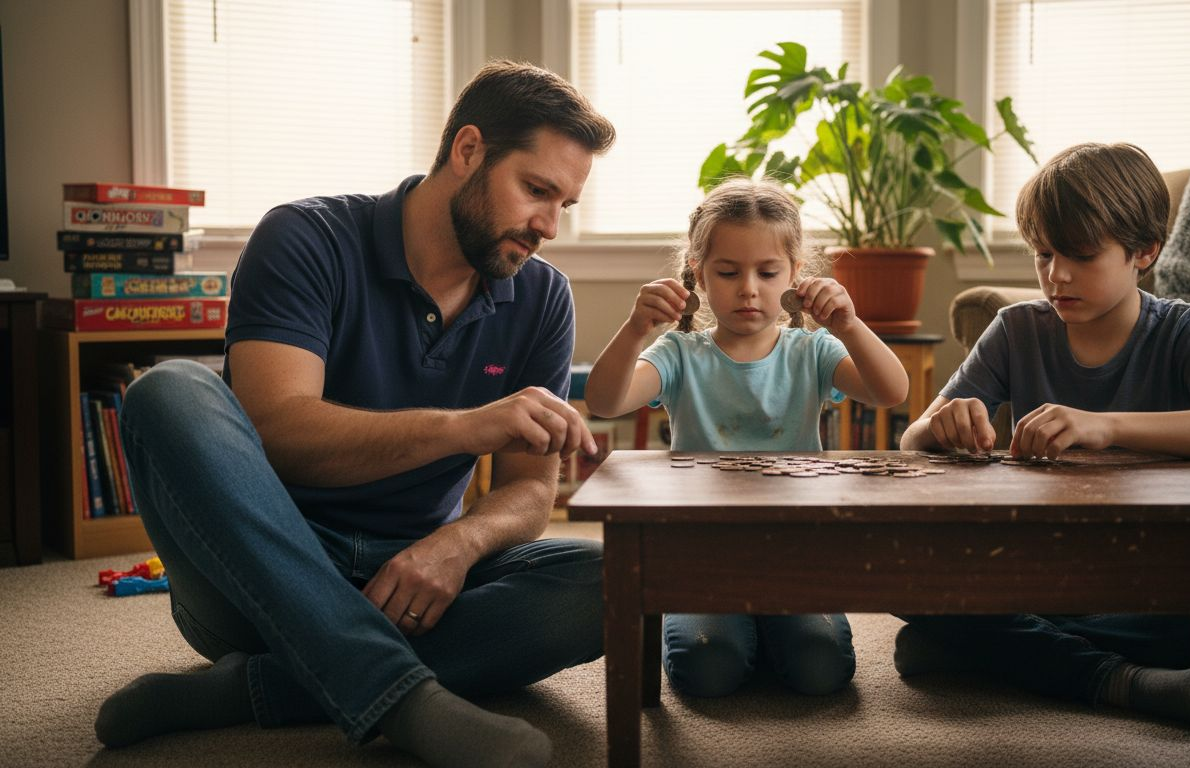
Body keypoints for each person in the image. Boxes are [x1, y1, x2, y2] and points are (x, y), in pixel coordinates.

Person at [94, 62, 616, 768]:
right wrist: (466, 426)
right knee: (169, 392)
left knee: (611, 581)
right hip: (260, 572)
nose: (548, 227)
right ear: (468, 152)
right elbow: (279, 432)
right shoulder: (306, 239)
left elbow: (529, 489)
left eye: (565, 206)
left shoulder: (542, 298)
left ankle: (251, 693)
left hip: (414, 579)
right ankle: (401, 698)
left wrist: (456, 546)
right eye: (537, 191)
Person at [898, 142, 1190, 735]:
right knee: (901, 575)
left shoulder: (1186, 329)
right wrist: (941, 425)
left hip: (1154, 577)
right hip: (1038, 569)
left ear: (1144, 251)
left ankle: (983, 646)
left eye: (1080, 255)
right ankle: (1119, 680)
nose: (1057, 275)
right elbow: (913, 441)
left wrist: (1106, 425)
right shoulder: (1016, 328)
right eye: (1042, 255)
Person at [584, 177, 910, 697]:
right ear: (698, 275)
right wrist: (633, 329)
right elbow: (603, 402)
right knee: (707, 671)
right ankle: (740, 633)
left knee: (822, 669)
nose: (749, 289)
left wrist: (849, 325)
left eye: (768, 272)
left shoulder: (812, 349)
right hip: (700, 550)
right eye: (729, 272)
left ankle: (764, 631)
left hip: (795, 550)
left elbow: (891, 390)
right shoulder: (680, 352)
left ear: (797, 274)